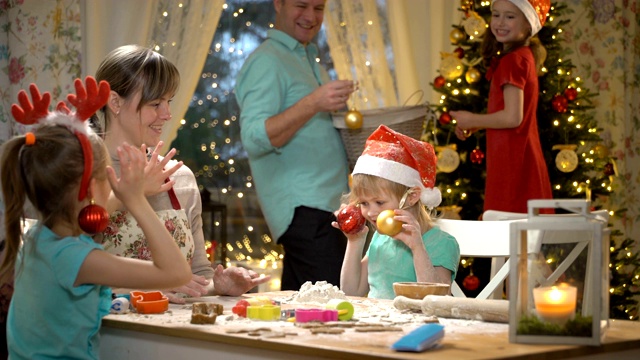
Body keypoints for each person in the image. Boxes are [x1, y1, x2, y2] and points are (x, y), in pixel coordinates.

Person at [0, 78, 192, 359]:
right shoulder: (76, 257)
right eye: (106, 175)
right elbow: (177, 273)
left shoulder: (37, 239)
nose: (112, 181)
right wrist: (135, 199)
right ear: (90, 189)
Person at [93, 45, 269, 303]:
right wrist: (132, 192)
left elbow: (196, 276)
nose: (167, 114)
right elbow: (63, 270)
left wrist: (219, 286)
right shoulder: (83, 172)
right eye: (156, 103)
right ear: (115, 102)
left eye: (169, 102)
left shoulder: (181, 179)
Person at [235, 0, 356, 290]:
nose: (311, 16)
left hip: (326, 207)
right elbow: (253, 137)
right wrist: (314, 102)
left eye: (319, 8)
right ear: (278, 3)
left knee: (302, 313)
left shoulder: (306, 56)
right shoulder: (267, 60)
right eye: (301, 5)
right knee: (330, 314)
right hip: (304, 210)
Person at [450, 0, 553, 214]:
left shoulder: (513, 61)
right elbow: (514, 115)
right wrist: (478, 126)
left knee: (508, 234)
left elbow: (513, 117)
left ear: (528, 25)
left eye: (510, 16)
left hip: (513, 164)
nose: (500, 22)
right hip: (519, 156)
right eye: (496, 15)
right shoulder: (522, 57)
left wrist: (472, 119)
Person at [336, 125, 460, 299]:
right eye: (364, 203)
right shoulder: (381, 239)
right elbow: (351, 292)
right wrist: (355, 241)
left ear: (412, 196)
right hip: (379, 323)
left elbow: (436, 299)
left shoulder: (442, 243)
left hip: (416, 324)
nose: (371, 212)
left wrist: (417, 248)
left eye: (379, 202)